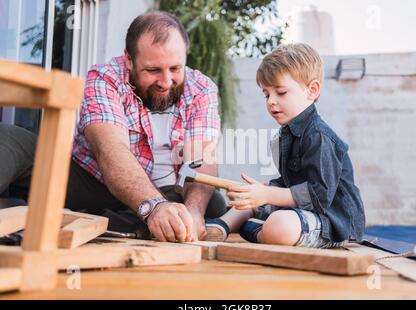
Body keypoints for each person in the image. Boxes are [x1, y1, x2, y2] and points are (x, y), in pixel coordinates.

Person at [0, 11, 227, 242]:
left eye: (175, 69)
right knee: (7, 139)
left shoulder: (201, 89)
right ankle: (124, 218)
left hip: (164, 191)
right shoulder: (105, 78)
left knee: (211, 203)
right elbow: (111, 150)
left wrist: (194, 213)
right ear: (129, 59)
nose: (166, 82)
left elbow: (201, 160)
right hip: (92, 181)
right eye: (153, 70)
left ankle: (101, 220)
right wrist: (153, 206)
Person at [205, 43, 365, 248]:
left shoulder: (320, 136)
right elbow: (291, 182)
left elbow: (319, 196)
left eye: (280, 92)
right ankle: (221, 226)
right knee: (250, 199)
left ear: (312, 90)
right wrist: (265, 189)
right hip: (302, 213)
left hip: (331, 223)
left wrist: (269, 195)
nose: (271, 101)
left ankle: (257, 231)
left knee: (280, 225)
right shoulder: (286, 134)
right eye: (266, 94)